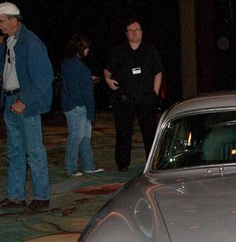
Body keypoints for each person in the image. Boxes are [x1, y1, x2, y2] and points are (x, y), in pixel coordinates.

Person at [0, 2, 53, 213]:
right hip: (9, 102)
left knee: (34, 151)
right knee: (14, 152)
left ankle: (42, 197)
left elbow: (44, 78)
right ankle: (15, 196)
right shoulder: (9, 41)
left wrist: (23, 100)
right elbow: (3, 64)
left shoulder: (32, 43)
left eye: (1, 20)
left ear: (14, 21)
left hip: (26, 105)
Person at [104, 19, 163, 171]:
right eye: (131, 30)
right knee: (123, 132)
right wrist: (108, 80)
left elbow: (158, 72)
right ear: (126, 33)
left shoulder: (150, 50)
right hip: (124, 98)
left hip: (146, 98)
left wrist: (155, 93)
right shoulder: (118, 51)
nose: (134, 32)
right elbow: (107, 70)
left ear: (142, 32)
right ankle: (122, 164)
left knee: (150, 133)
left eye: (137, 30)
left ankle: (152, 163)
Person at [61, 34, 104, 176]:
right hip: (77, 107)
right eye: (86, 47)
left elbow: (76, 82)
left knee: (85, 137)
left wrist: (88, 80)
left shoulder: (72, 63)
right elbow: (73, 87)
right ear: (80, 48)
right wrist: (80, 103)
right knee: (76, 137)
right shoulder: (74, 63)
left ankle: (88, 166)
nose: (88, 50)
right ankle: (71, 167)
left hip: (80, 106)